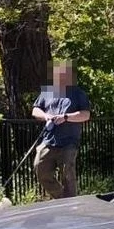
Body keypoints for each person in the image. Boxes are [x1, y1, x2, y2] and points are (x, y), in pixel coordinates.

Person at [31, 59, 91, 199]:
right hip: (49, 140)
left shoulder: (78, 93)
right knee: (40, 168)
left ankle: (70, 203)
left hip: (69, 142)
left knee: (67, 173)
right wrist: (45, 116)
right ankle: (62, 198)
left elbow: (86, 115)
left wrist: (65, 117)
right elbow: (35, 110)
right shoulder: (48, 92)